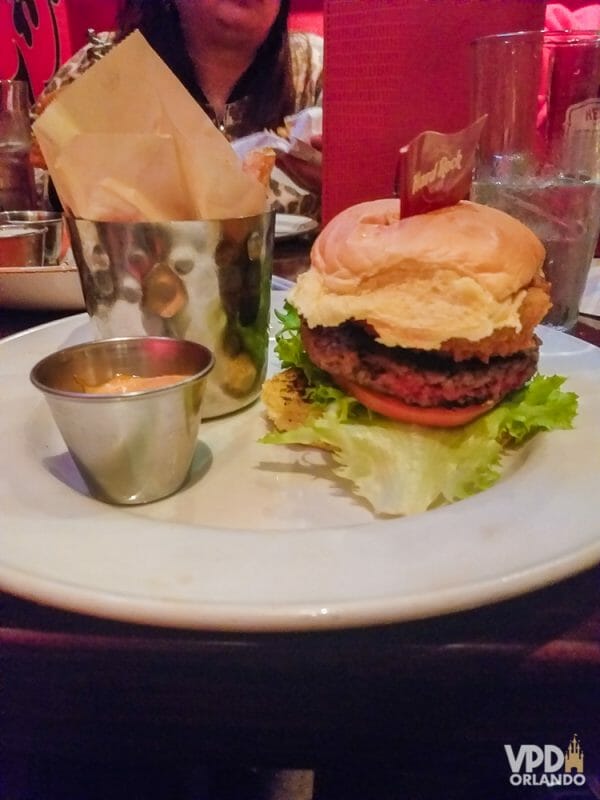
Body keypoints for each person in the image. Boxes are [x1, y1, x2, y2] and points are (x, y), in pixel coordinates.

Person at [32, 0, 323, 218]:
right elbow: (25, 200)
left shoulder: (325, 72)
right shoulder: (100, 69)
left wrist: (347, 183)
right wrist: (73, 177)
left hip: (296, 292)